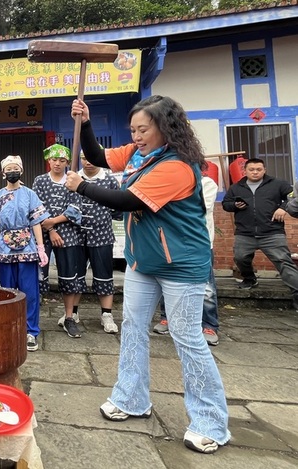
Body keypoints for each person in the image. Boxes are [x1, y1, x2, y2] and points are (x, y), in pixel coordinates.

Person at [65, 96, 230, 453]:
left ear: (165, 128)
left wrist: (81, 187)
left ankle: (211, 422)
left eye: (143, 130)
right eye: (133, 130)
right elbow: (98, 156)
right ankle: (131, 399)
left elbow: (129, 200)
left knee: (187, 338)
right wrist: (88, 122)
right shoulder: (140, 154)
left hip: (182, 266)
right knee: (133, 328)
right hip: (144, 262)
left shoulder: (177, 166)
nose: (136, 136)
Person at [0, 155, 49, 351]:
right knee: (7, 292)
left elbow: (36, 221)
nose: (12, 171)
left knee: (30, 292)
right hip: (5, 249)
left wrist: (40, 247)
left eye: (15, 168)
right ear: (3, 173)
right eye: (8, 168)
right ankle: (8, 328)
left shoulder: (30, 194)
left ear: (21, 171)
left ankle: (30, 331)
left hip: (27, 248)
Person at [154, 172, 221, 345]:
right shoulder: (168, 181)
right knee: (166, 282)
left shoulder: (206, 184)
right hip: (171, 243)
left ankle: (209, 325)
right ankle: (166, 317)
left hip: (199, 244)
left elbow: (195, 209)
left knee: (206, 288)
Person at [222, 158, 298, 306]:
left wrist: (284, 208)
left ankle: (297, 292)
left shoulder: (277, 184)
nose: (255, 172)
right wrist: (235, 205)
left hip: (272, 231)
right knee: (240, 258)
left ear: (264, 170)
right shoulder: (236, 187)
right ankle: (250, 279)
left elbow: (292, 197)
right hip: (245, 233)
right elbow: (226, 204)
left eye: (259, 169)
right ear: (245, 171)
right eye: (252, 169)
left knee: (284, 262)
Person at [32, 144, 83, 338]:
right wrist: (51, 229)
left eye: (62, 160)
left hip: (68, 234)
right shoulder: (40, 181)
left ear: (67, 162)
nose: (57, 164)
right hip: (42, 234)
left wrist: (54, 221)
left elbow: (75, 209)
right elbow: (36, 207)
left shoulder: (73, 180)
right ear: (48, 160)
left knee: (69, 275)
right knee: (37, 275)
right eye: (54, 159)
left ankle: (69, 317)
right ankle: (33, 318)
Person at [66, 154, 121, 335]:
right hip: (77, 235)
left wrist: (100, 219)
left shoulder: (109, 180)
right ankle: (72, 313)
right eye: (83, 158)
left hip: (102, 235)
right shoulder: (73, 178)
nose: (87, 161)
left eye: (90, 157)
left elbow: (117, 209)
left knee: (104, 274)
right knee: (76, 275)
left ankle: (106, 315)